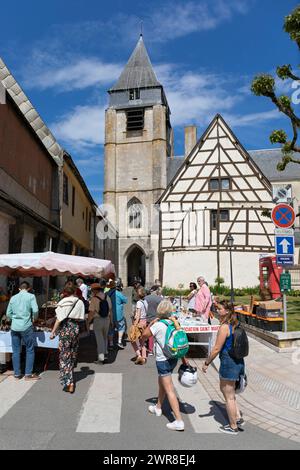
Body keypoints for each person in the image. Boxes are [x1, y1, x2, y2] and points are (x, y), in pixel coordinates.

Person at [140, 300, 185, 431]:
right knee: (162, 384)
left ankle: (178, 421)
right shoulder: (173, 322)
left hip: (162, 359)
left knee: (169, 389)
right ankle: (158, 407)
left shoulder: (158, 325)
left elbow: (144, 335)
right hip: (172, 358)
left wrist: (152, 323)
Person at [202, 303, 245, 435]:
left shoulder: (224, 327)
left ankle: (233, 427)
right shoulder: (235, 324)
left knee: (229, 396)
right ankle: (237, 417)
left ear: (226, 311)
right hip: (238, 361)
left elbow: (216, 349)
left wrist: (207, 362)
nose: (217, 310)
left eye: (220, 309)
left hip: (228, 362)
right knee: (229, 392)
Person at [50, 285, 85, 393]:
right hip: (75, 328)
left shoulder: (62, 302)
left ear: (65, 292)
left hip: (65, 329)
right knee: (72, 352)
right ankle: (70, 370)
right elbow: (81, 318)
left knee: (64, 355)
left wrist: (53, 332)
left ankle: (69, 382)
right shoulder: (79, 302)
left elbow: (58, 320)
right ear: (74, 291)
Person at [6, 281, 40, 381]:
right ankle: (28, 374)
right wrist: (34, 319)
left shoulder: (13, 297)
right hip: (26, 326)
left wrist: (15, 318)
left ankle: (17, 374)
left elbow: (8, 314)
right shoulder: (31, 296)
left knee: (16, 350)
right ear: (28, 288)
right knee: (29, 349)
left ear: (19, 288)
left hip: (15, 327)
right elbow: (35, 310)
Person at [88, 283, 112, 364]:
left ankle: (101, 358)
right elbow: (110, 310)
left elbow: (91, 312)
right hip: (107, 319)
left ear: (95, 290)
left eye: (92, 290)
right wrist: (111, 321)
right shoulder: (107, 297)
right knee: (105, 337)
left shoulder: (94, 299)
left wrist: (88, 321)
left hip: (98, 320)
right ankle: (105, 353)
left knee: (99, 339)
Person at [107, 278, 128, 350]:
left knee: (110, 329)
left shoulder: (107, 294)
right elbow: (125, 300)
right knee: (121, 327)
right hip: (118, 315)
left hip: (109, 314)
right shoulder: (119, 293)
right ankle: (119, 341)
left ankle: (111, 344)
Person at [131, 287, 148, 365]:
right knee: (142, 342)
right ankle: (144, 357)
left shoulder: (138, 303)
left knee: (133, 339)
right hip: (145, 322)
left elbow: (138, 315)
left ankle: (139, 355)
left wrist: (134, 325)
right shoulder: (145, 302)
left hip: (140, 322)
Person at [145, 286, 163, 355]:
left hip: (147, 317)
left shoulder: (146, 298)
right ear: (156, 291)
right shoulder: (160, 299)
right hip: (156, 318)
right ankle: (153, 349)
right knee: (155, 334)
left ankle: (147, 348)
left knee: (147, 333)